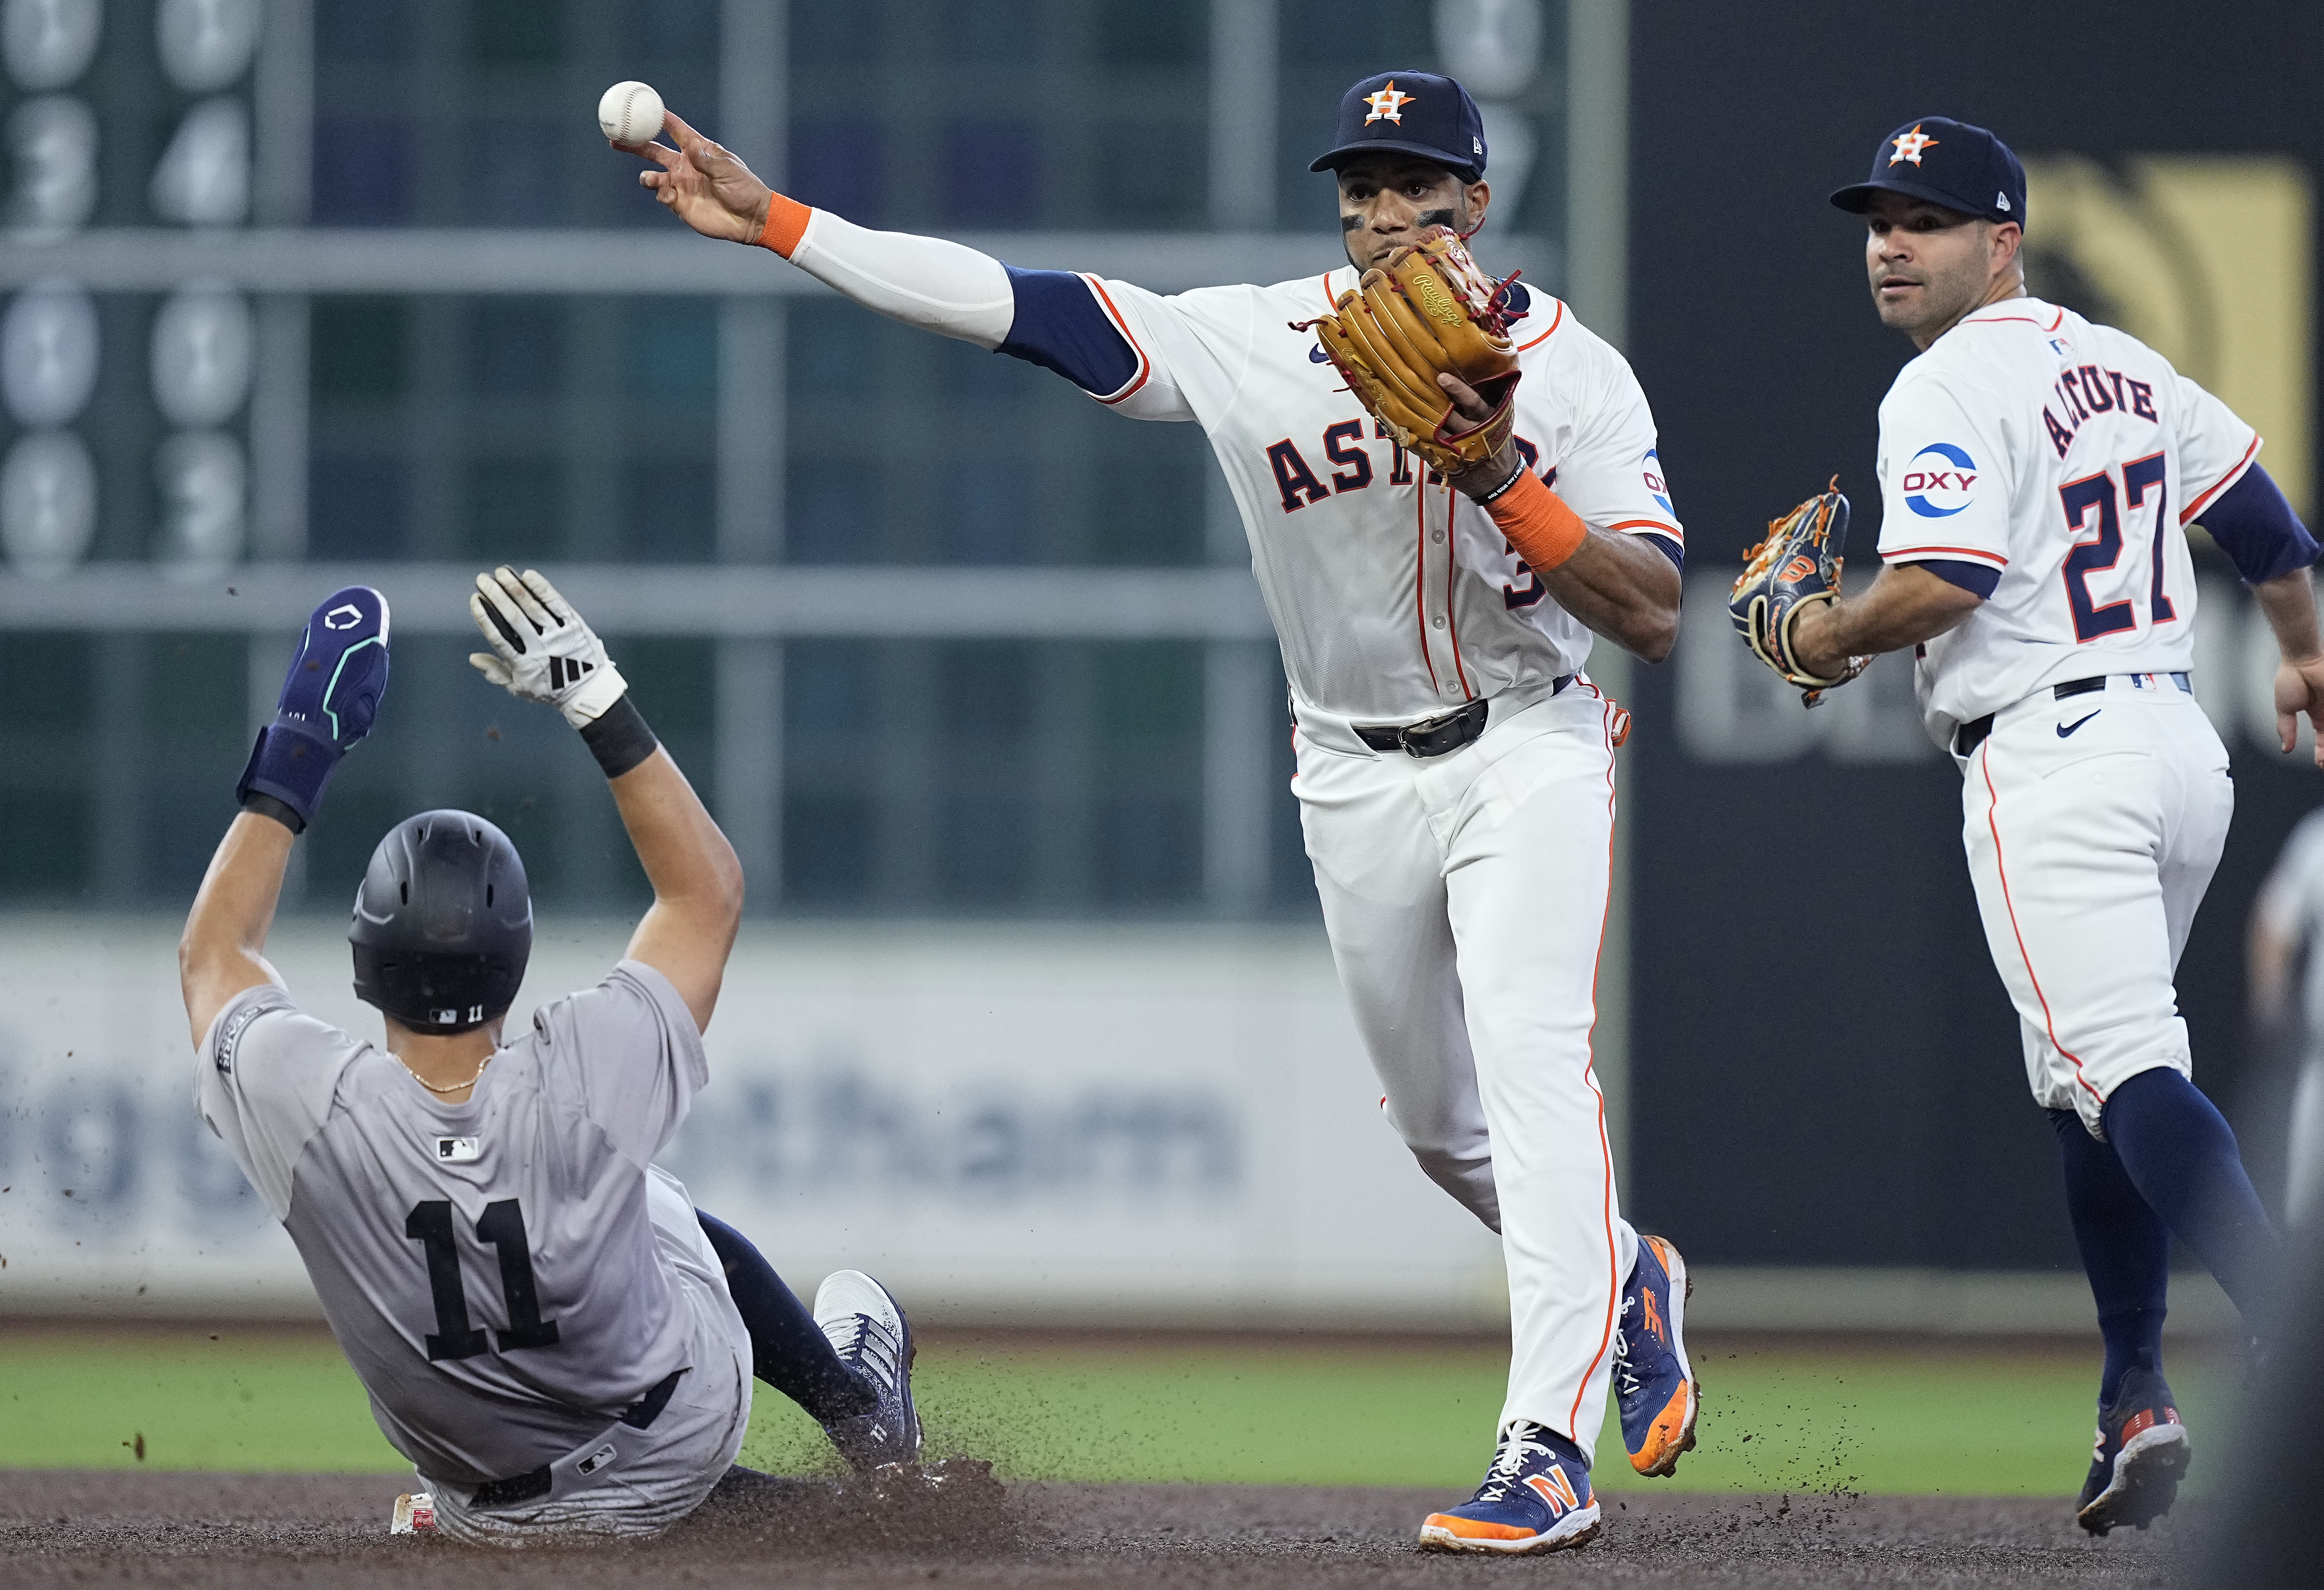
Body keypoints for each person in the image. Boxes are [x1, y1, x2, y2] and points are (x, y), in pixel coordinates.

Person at [622, 69, 1696, 1556]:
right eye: (1360, 190)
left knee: (1530, 1067)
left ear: (1478, 206)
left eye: (1414, 189)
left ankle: (1543, 1446)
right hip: (1350, 770)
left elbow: (1649, 609)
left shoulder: (1577, 378)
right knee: (1445, 1131)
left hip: (1529, 746)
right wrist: (788, 224)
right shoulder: (1259, 339)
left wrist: (1498, 470)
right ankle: (1626, 1270)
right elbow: (1009, 303)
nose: (1383, 215)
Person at [1769, 116, 2324, 1535]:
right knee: (2090, 1079)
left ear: (2000, 240)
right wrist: (2306, 652)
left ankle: (2291, 1354)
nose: (1890, 243)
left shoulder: (1944, 383)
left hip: (2053, 760)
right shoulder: (2126, 363)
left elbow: (1944, 579)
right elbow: (2267, 532)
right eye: (1879, 218)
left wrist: (1820, 630)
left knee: (2121, 1069)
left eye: (1928, 219)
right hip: (2173, 751)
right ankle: (2133, 1397)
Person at [178, 571, 921, 1543]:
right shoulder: (584, 1070)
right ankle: (862, 1418)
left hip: (488, 1512)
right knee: (650, 1204)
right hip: (677, 1444)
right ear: (519, 958)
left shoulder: (304, 1104)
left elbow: (214, 955)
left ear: (361, 965)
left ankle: (710, 1505)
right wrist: (594, 697)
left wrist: (301, 748)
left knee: (549, 1312)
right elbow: (705, 896)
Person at [2250, 806, 2324, 1226]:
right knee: (2307, 1209)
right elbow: (2274, 922)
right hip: (2322, 1059)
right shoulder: (2317, 837)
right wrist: (2269, 998)